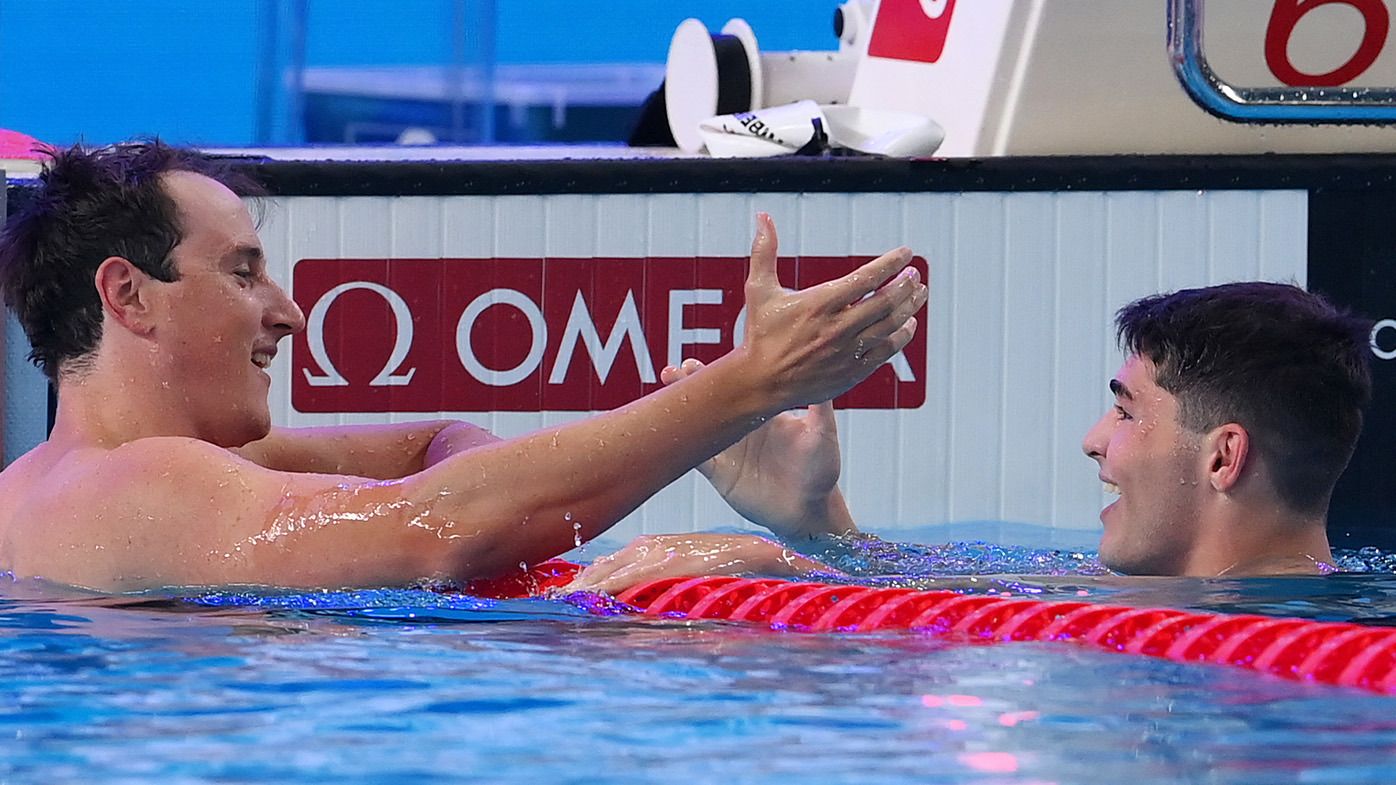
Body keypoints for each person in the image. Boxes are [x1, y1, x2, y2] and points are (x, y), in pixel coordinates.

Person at [0, 141, 927, 592]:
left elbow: (444, 458)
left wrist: (500, 528)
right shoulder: (136, 484)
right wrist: (746, 385)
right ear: (128, 295)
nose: (285, 310)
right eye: (243, 273)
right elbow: (438, 529)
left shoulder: (55, 487)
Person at [566, 281, 1373, 593]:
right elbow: (964, 587)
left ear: (1224, 456)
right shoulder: (1192, 603)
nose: (1094, 440)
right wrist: (814, 531)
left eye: (1126, 411)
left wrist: (791, 573)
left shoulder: (1279, 647)